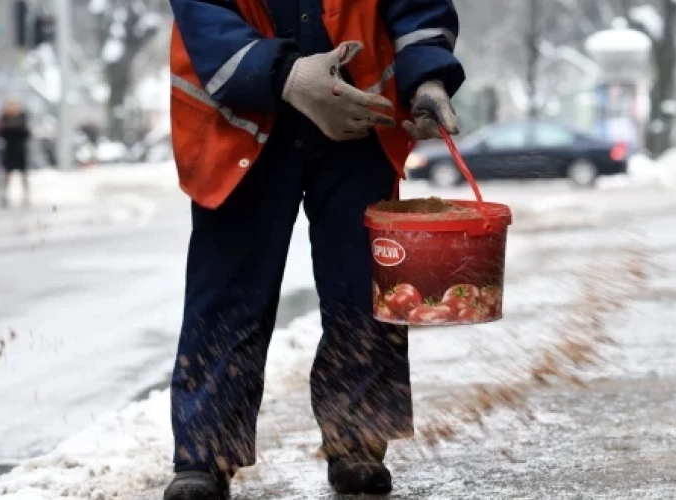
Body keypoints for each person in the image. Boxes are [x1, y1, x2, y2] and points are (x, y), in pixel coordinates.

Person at [163, 1, 463, 499]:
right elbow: (205, 15)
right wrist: (284, 75)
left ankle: (358, 442)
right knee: (228, 293)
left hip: (356, 115)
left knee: (360, 288)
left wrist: (426, 80)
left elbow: (416, 4)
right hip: (245, 115)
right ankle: (204, 455)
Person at [0, 101, 32, 207]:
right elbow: (0, 133)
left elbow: (27, 134)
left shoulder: (22, 118)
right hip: (9, 150)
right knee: (7, 175)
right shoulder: (4, 119)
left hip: (20, 151)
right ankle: (4, 195)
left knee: (24, 175)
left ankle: (26, 196)